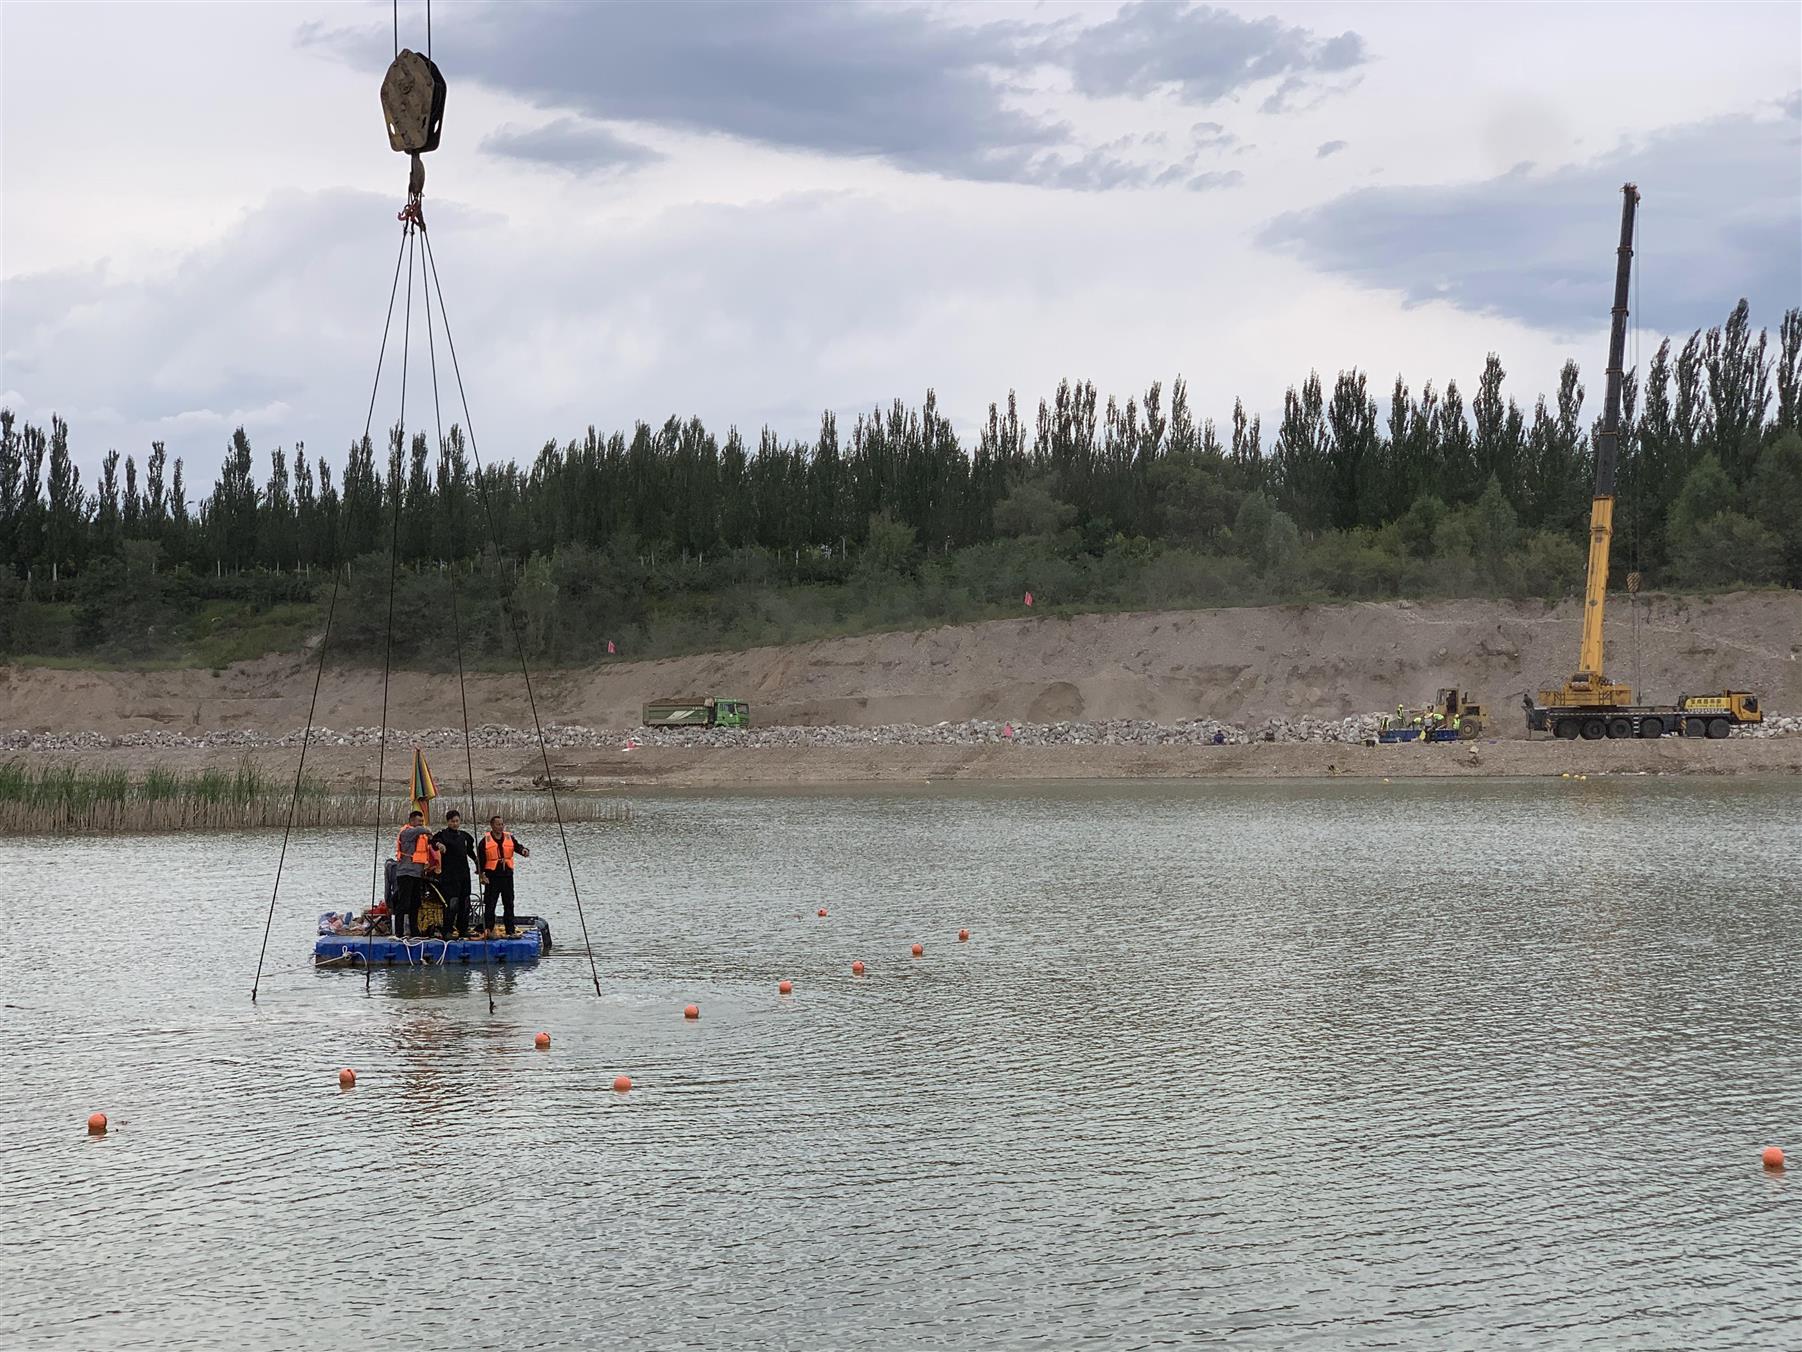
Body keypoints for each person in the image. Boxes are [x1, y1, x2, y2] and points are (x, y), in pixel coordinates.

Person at [479, 814, 530, 937]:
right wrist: (482, 876)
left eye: (502, 824)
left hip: (507, 876)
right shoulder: (485, 841)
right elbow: (479, 860)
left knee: (509, 903)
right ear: (492, 825)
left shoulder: (509, 837)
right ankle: (489, 929)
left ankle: (510, 930)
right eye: (498, 824)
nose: (501, 827)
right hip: (492, 877)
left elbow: (518, 847)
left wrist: (524, 851)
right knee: (490, 904)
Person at [393, 809, 441, 940]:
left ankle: (415, 931)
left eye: (422, 821)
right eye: (419, 821)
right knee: (403, 903)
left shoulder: (421, 835)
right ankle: (399, 932)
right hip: (405, 873)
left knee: (415, 903)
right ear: (412, 820)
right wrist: (427, 830)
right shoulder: (407, 832)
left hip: (417, 874)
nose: (421, 824)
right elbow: (418, 830)